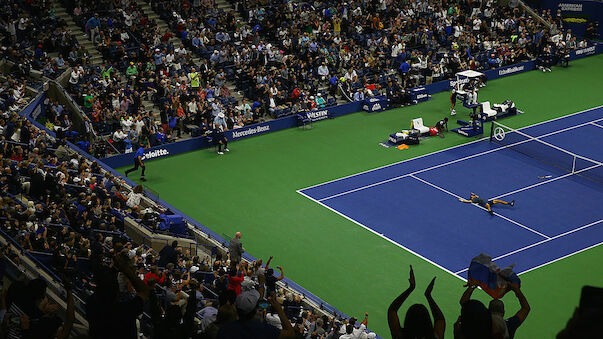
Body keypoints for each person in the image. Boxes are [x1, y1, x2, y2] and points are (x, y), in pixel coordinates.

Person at [388, 265, 445, 339]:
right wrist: (428, 296)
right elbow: (440, 319)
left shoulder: (399, 336)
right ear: (427, 322)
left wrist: (411, 288)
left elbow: (392, 310)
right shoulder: (436, 337)